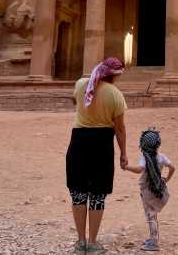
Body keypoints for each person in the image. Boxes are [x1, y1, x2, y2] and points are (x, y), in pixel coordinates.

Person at [66, 58, 128, 254]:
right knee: (97, 195)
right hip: (102, 143)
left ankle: (80, 242)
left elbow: (75, 99)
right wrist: (123, 154)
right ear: (115, 75)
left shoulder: (81, 84)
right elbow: (120, 129)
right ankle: (93, 243)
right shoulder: (116, 95)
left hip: (78, 141)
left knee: (78, 193)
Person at [124, 128, 175, 251]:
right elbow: (172, 167)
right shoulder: (162, 157)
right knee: (154, 215)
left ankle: (154, 241)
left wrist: (126, 167)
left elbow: (139, 169)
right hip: (157, 188)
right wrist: (167, 179)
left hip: (147, 191)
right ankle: (154, 238)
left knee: (150, 215)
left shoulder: (145, 158)